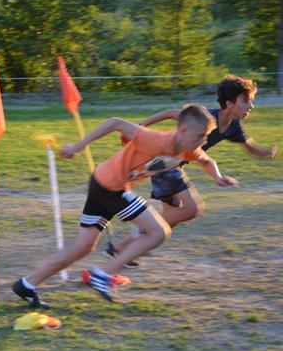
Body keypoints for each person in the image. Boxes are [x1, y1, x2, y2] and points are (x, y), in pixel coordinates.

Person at [12, 104, 238, 307]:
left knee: (83, 247)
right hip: (111, 187)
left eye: (206, 136)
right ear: (183, 131)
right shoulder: (155, 139)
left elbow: (206, 160)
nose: (204, 141)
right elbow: (115, 123)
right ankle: (102, 275)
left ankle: (27, 284)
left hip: (103, 184)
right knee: (159, 231)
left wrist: (218, 177)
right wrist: (78, 146)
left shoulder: (188, 148)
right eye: (200, 136)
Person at [106, 75, 277, 267]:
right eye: (245, 101)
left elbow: (249, 147)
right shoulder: (206, 118)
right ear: (229, 103)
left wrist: (266, 152)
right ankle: (141, 231)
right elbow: (171, 112)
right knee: (193, 208)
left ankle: (120, 249)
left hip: (173, 165)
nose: (250, 106)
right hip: (167, 161)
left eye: (251, 101)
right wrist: (140, 126)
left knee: (172, 219)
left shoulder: (234, 126)